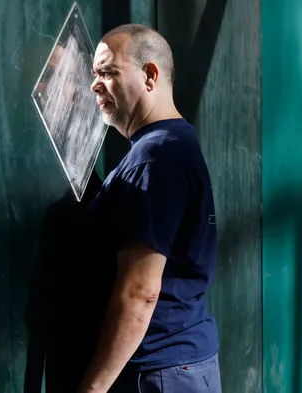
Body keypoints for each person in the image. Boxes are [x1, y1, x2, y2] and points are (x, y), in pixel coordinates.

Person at [77, 24, 222, 393]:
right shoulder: (176, 141)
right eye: (95, 75)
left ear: (150, 76)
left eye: (108, 73)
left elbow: (141, 290)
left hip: (157, 372)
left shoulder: (154, 158)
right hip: (182, 363)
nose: (95, 85)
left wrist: (94, 387)